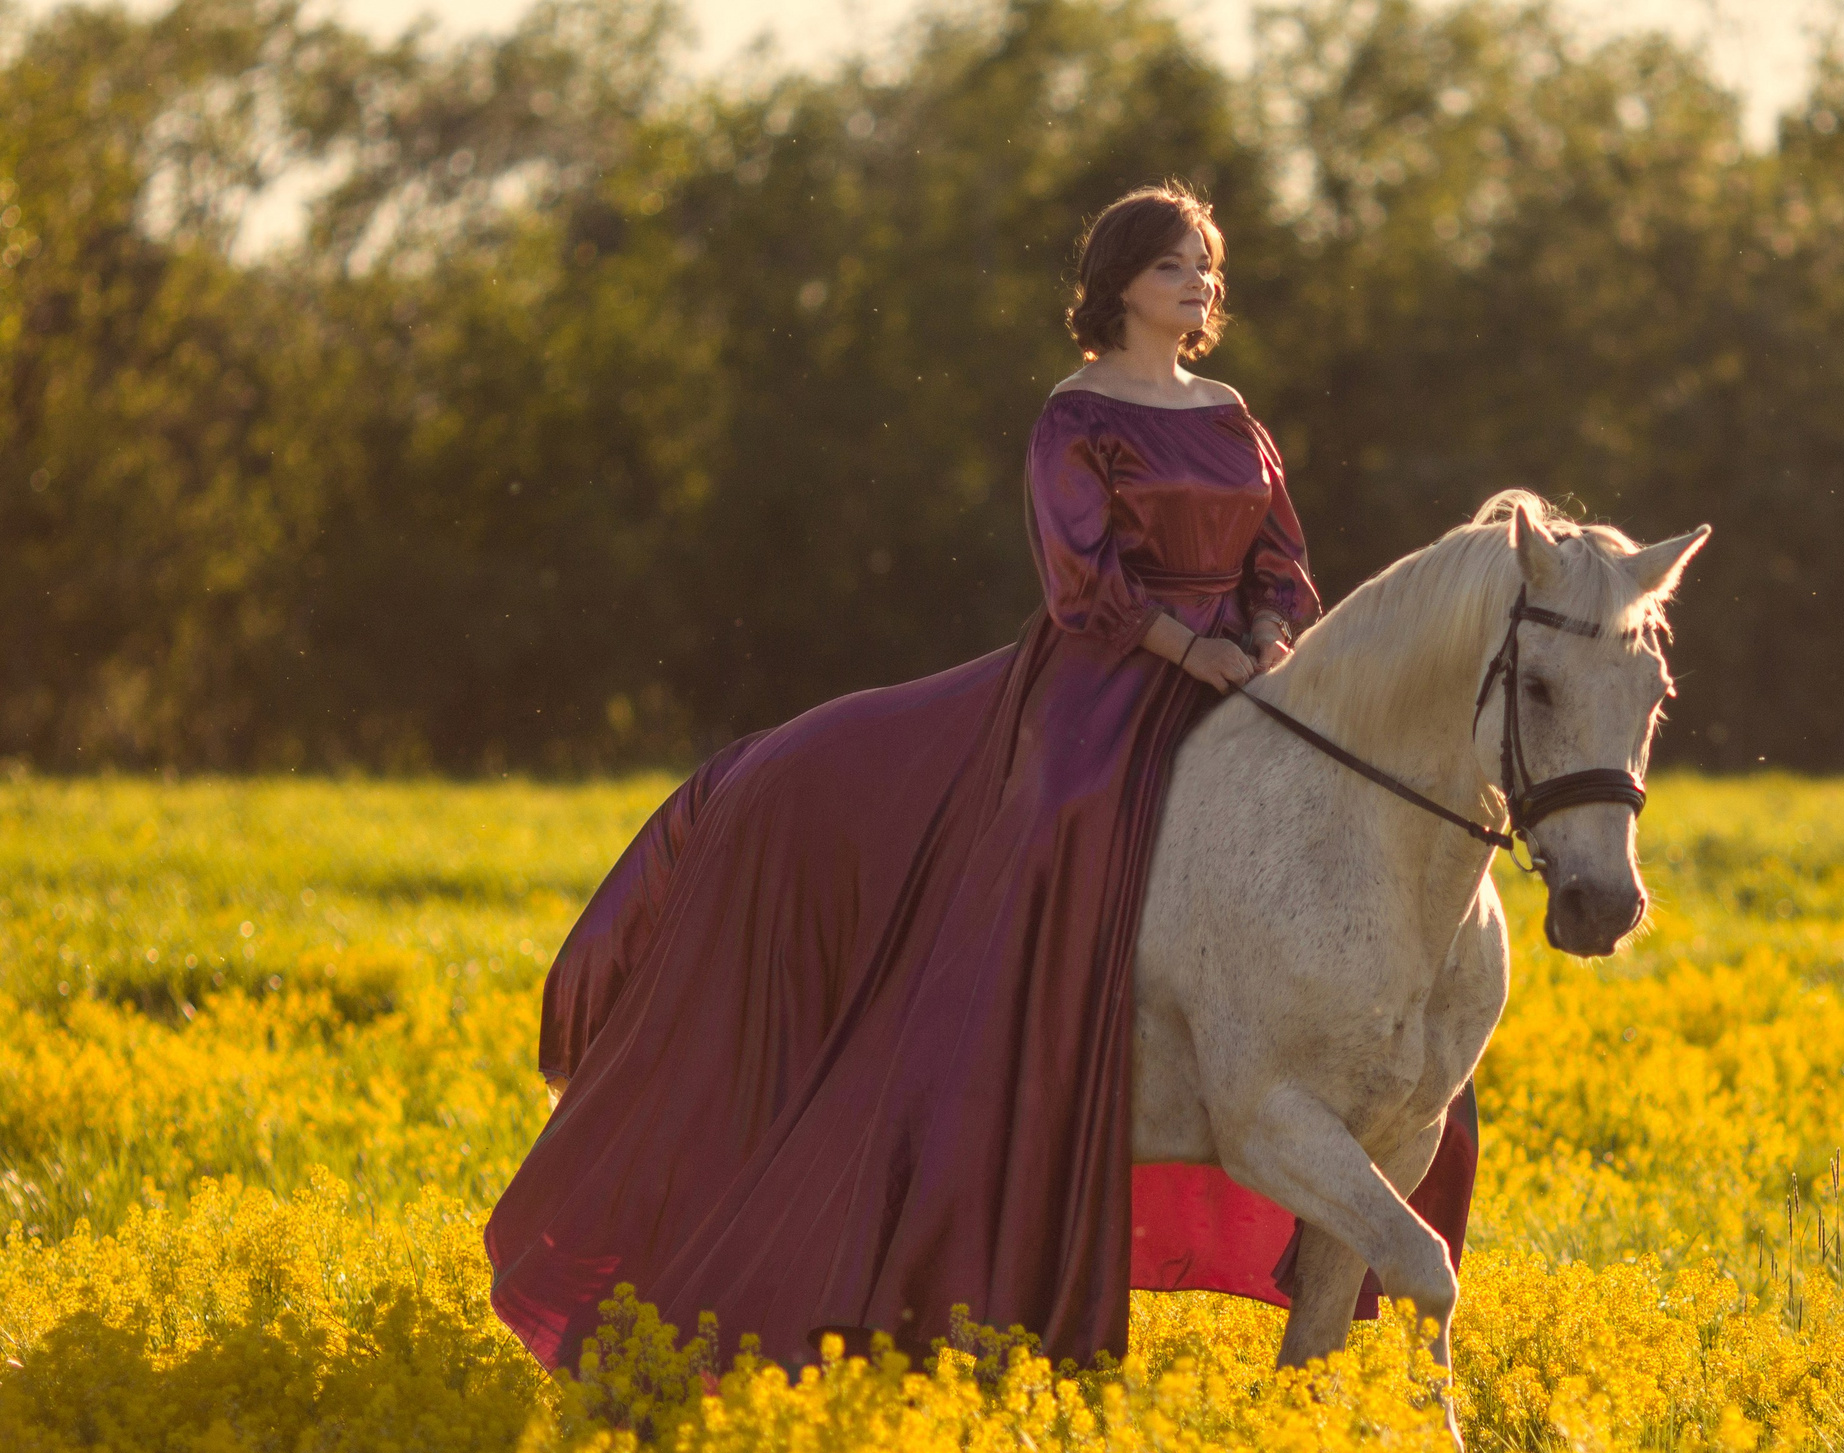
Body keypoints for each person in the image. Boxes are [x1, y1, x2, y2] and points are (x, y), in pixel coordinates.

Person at [484, 182, 1477, 1372]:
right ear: (1117, 287)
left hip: (1242, 675)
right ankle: (1028, 1056)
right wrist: (1194, 648)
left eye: (1206, 268)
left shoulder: (1228, 413)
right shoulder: (1075, 417)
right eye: (1173, 269)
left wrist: (1268, 635)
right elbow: (1083, 584)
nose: (1198, 286)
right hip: (1109, 680)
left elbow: (1283, 558)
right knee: (1069, 821)